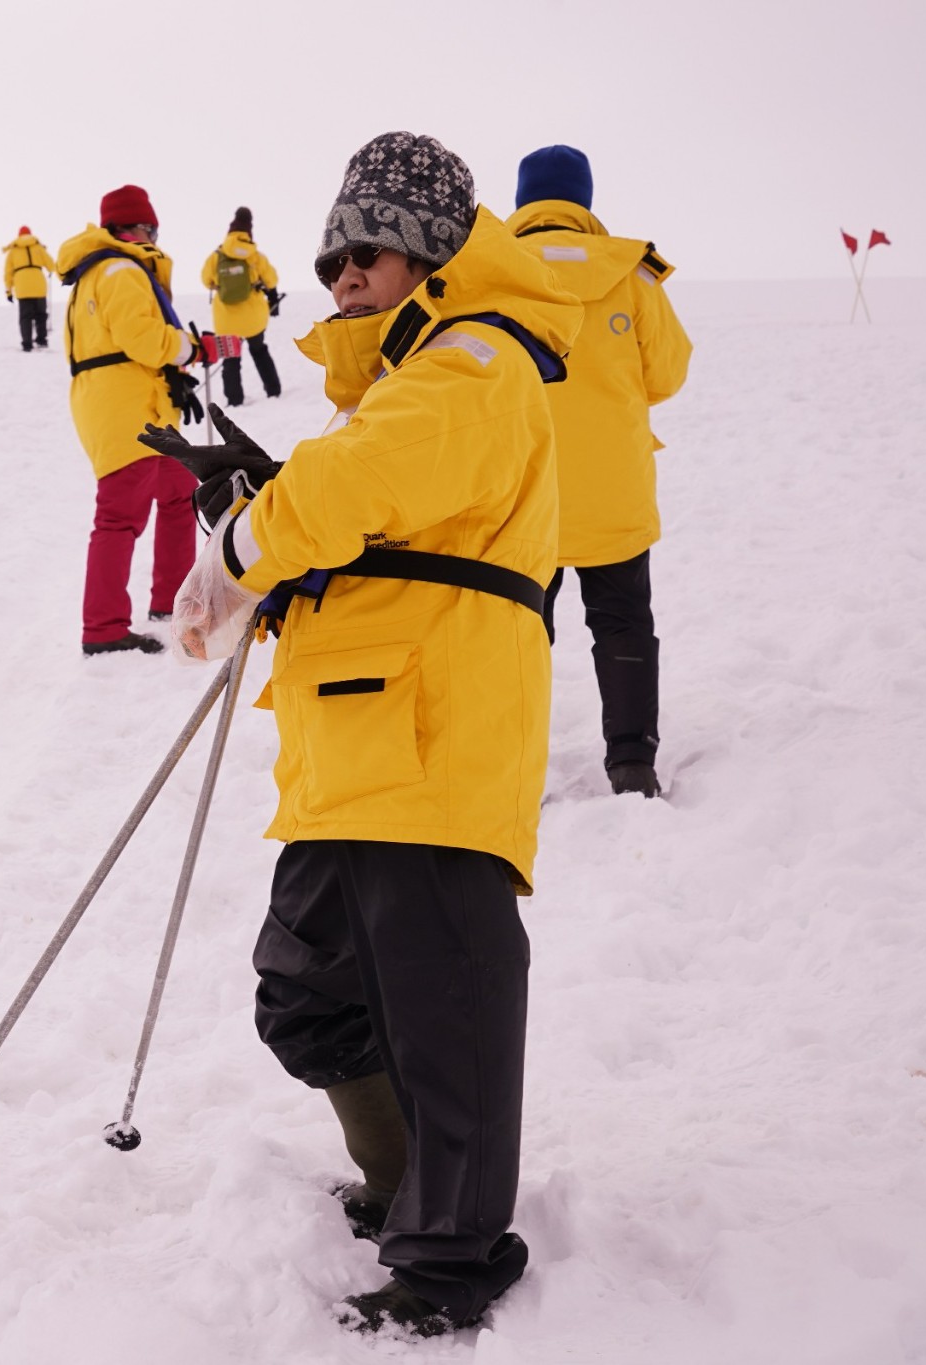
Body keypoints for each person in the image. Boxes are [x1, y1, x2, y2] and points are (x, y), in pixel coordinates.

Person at [146, 131, 580, 1338]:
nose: (343, 271)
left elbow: (353, 493)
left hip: (431, 742)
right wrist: (274, 553)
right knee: (306, 995)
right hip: (357, 745)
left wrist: (241, 549)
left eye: (372, 249)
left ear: (432, 253)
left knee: (446, 1018)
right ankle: (403, 1188)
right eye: (333, 251)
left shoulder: (475, 360)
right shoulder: (403, 382)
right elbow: (369, 518)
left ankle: (449, 1259)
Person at [506, 145, 692, 798]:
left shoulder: (488, 270)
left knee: (518, 630)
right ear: (583, 201)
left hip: (516, 491)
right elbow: (667, 373)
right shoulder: (631, 275)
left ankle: (511, 767)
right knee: (622, 622)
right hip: (613, 489)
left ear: (525, 199)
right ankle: (632, 762)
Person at [53, 184, 208, 656]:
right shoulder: (120, 269)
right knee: (119, 517)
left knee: (180, 494)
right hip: (125, 410)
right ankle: (103, 630)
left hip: (135, 403)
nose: (157, 238)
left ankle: (171, 600)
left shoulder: (96, 273)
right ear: (139, 227)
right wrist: (187, 349)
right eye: (153, 228)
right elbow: (142, 338)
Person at [201, 207, 283, 404]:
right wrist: (272, 299)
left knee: (231, 360)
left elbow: (205, 280)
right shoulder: (255, 256)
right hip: (253, 317)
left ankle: (234, 400)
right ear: (249, 231)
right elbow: (271, 280)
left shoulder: (216, 256)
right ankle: (274, 391)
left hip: (226, 319)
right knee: (259, 351)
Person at [4, 226, 53, 352]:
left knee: (25, 316)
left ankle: (27, 343)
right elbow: (51, 264)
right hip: (39, 284)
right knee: (41, 315)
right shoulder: (38, 247)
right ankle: (42, 340)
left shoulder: (13, 251)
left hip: (22, 285)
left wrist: (8, 290)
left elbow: (8, 273)